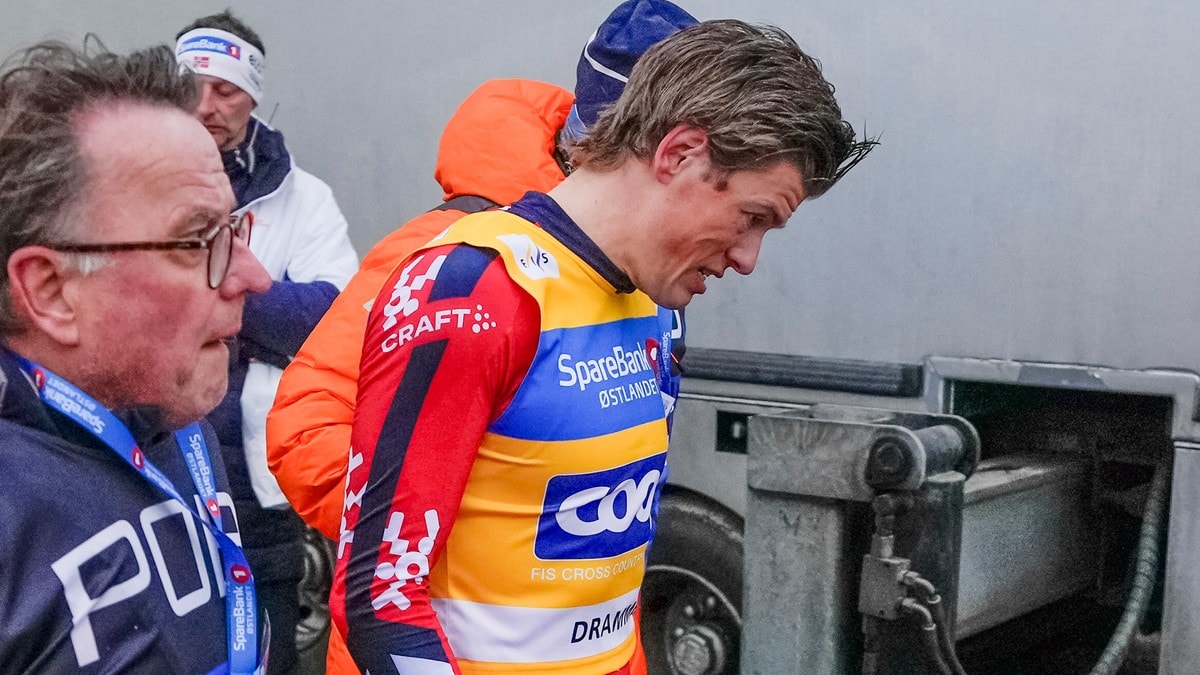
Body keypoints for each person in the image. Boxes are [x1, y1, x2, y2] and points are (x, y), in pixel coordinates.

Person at [330, 18, 874, 675]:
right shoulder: (475, 289)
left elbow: (607, 590)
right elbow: (380, 598)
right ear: (679, 154)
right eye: (752, 217)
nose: (748, 258)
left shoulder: (658, 307)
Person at [265, 3, 696, 671]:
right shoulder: (457, 257)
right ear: (657, 152)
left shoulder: (638, 269)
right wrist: (456, 509)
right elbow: (304, 425)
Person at [0, 39, 272, 672]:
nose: (254, 277)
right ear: (52, 290)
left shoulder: (172, 417)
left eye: (234, 230)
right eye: (197, 240)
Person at [175, 10, 360, 673]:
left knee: (272, 649)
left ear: (253, 95)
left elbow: (333, 319)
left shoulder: (302, 198)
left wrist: (213, 296)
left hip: (260, 475)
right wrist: (260, 304)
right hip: (161, 455)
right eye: (191, 85)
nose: (206, 104)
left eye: (226, 89)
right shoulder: (133, 185)